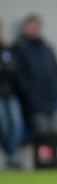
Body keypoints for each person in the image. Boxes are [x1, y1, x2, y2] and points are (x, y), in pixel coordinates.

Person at [12, 14, 57, 136]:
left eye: (37, 26)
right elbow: (18, 76)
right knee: (42, 138)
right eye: (31, 26)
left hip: (52, 102)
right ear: (24, 28)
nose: (34, 29)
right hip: (34, 104)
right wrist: (30, 96)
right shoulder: (19, 48)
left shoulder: (46, 48)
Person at [0, 19, 24, 169]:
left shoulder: (7, 49)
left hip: (10, 93)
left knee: (16, 124)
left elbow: (15, 70)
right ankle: (8, 155)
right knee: (3, 125)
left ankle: (12, 155)